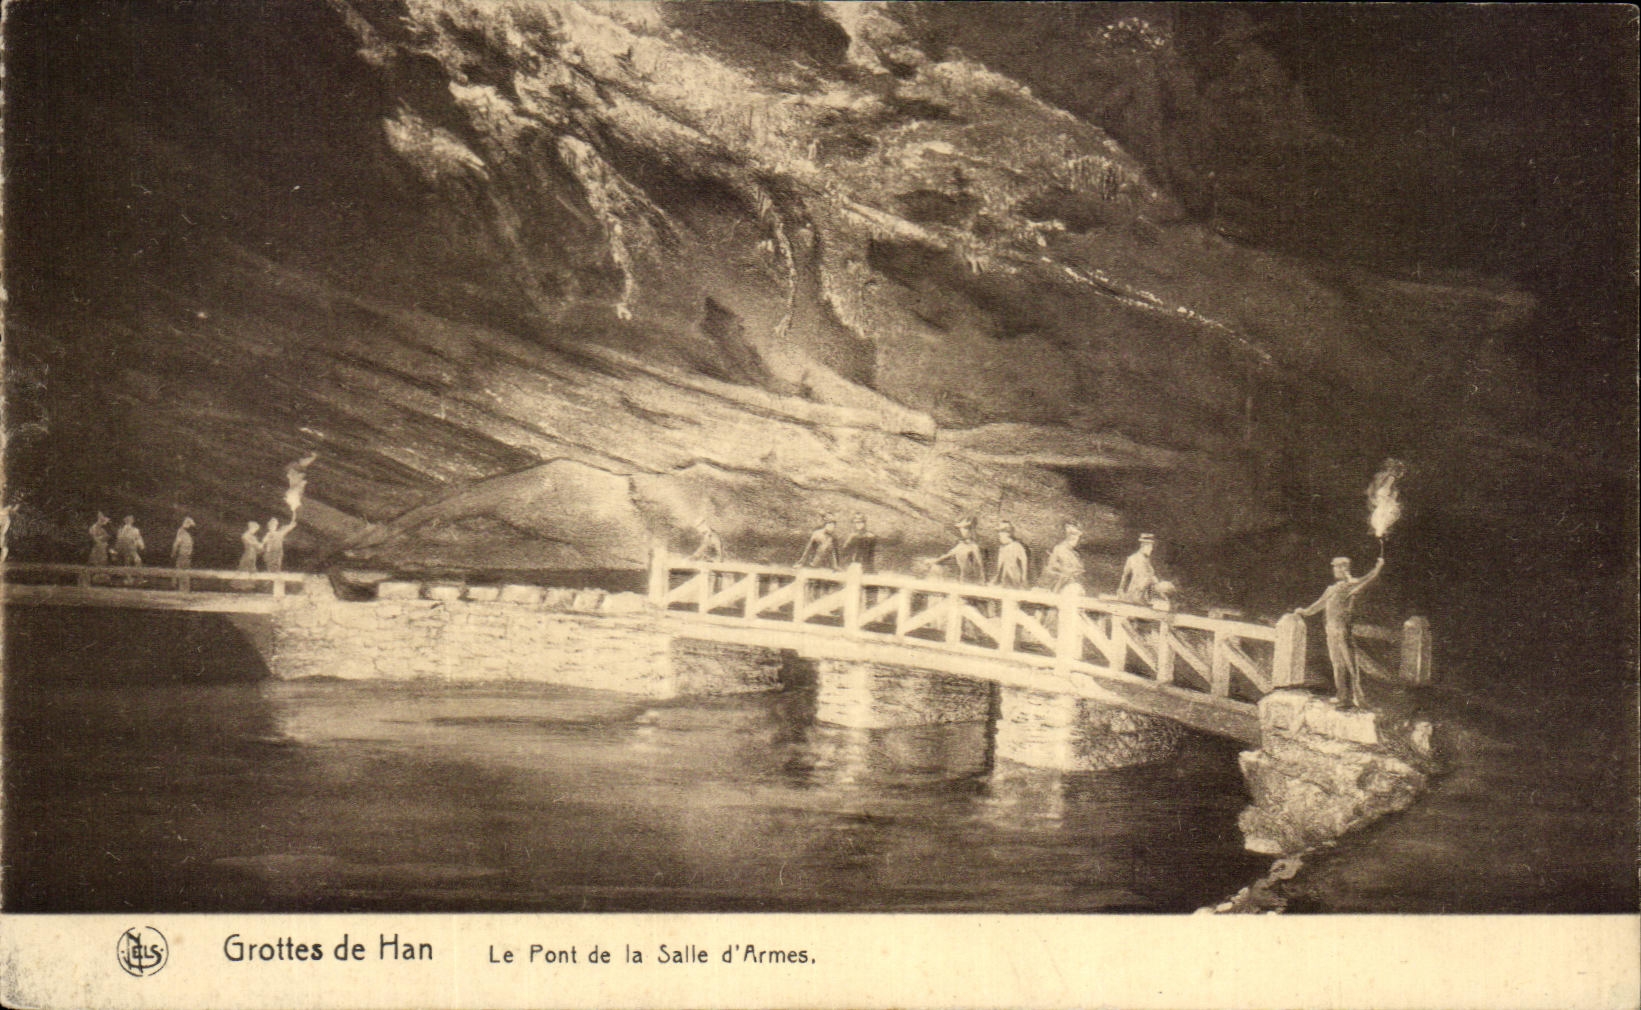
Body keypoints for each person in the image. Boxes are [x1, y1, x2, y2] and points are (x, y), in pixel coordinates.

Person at [1292, 550, 1386, 709]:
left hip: (1342, 630)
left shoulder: (1350, 585)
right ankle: (1342, 696)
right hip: (1331, 630)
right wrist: (1304, 611)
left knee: (1350, 664)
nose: (1334, 571)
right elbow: (1318, 605)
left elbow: (1368, 578)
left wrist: (1378, 567)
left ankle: (1359, 698)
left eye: (1337, 568)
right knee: (1337, 664)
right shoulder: (1331, 589)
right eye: (1334, 568)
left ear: (1344, 569)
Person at [931, 517, 983, 583]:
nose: (962, 531)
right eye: (961, 529)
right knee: (936, 568)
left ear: (972, 530)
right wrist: (934, 561)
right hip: (961, 579)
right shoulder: (961, 545)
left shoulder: (975, 547)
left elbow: (979, 568)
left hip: (970, 582)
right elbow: (947, 556)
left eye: (966, 528)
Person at [1041, 521, 1085, 593]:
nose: (1076, 539)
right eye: (1073, 535)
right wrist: (1063, 571)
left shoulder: (1075, 554)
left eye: (1077, 536)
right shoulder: (1059, 549)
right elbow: (1050, 568)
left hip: (1074, 585)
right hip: (1061, 586)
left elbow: (1080, 572)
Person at [1118, 533, 1161, 605]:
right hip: (1136, 594)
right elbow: (1125, 576)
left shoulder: (1146, 560)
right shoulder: (1133, 558)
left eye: (1151, 547)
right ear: (1143, 546)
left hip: (1144, 596)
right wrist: (1120, 589)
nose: (1151, 549)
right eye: (1150, 547)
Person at [990, 520, 1029, 589]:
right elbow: (1000, 568)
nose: (999, 535)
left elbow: (1024, 564)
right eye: (999, 532)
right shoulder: (1002, 548)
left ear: (1008, 533)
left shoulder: (1017, 546)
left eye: (1001, 532)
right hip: (1002, 583)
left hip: (1014, 583)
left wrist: (1023, 580)